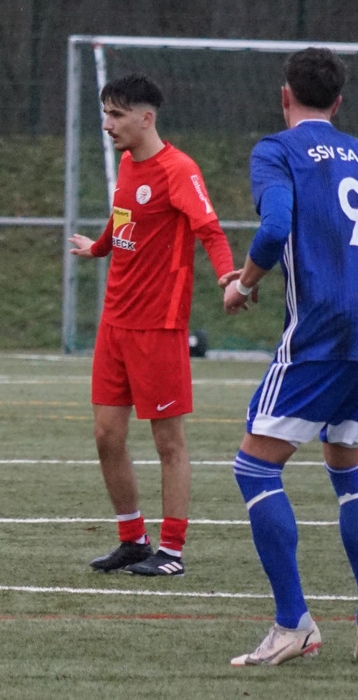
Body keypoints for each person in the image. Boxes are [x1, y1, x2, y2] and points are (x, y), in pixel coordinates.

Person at [221, 48, 358, 666]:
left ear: (285, 96)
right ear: (338, 102)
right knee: (347, 467)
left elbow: (274, 228)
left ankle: (293, 624)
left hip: (323, 329)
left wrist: (243, 284)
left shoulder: (277, 150)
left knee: (254, 469)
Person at [68, 73, 234, 578]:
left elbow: (210, 230)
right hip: (114, 323)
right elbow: (123, 218)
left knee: (168, 443)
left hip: (158, 327)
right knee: (106, 435)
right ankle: (133, 539)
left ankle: (172, 551)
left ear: (146, 118)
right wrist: (97, 249)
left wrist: (229, 277)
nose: (107, 124)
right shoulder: (126, 163)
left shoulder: (179, 170)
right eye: (105, 113)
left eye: (116, 114)